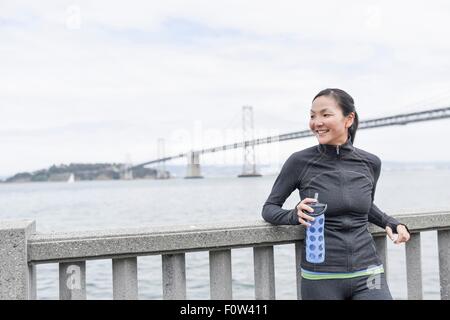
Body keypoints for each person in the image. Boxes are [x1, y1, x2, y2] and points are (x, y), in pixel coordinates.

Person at [261, 88, 411, 300]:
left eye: (325, 114)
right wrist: (294, 215)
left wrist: (391, 222)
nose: (316, 122)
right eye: (312, 116)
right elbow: (269, 209)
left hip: (369, 272)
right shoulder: (299, 162)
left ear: (349, 119)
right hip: (321, 276)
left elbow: (365, 206)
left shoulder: (370, 162)